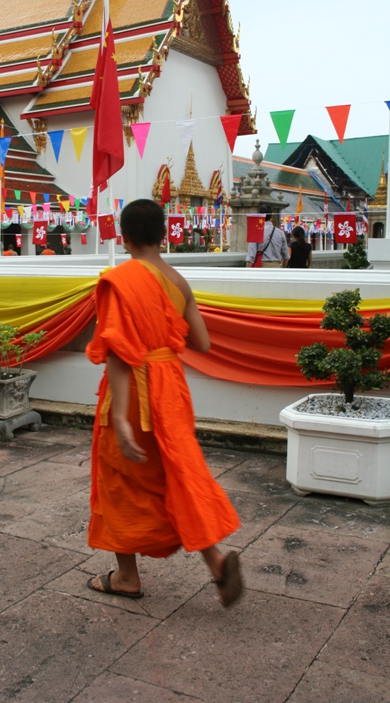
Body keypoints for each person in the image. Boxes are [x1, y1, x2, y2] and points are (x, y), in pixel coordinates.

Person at [85, 199, 243, 607]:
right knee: (176, 475)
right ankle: (216, 561)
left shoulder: (122, 278)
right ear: (166, 234)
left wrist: (119, 417)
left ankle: (126, 577)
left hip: (134, 392)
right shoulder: (178, 280)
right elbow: (202, 343)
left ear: (124, 236)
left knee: (120, 479)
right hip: (170, 391)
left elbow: (120, 351)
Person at [246, 203, 288, 268]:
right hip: (276, 266)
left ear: (259, 216)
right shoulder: (280, 233)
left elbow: (251, 256)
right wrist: (282, 269)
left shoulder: (256, 232)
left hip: (261, 266)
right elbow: (286, 256)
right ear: (272, 216)